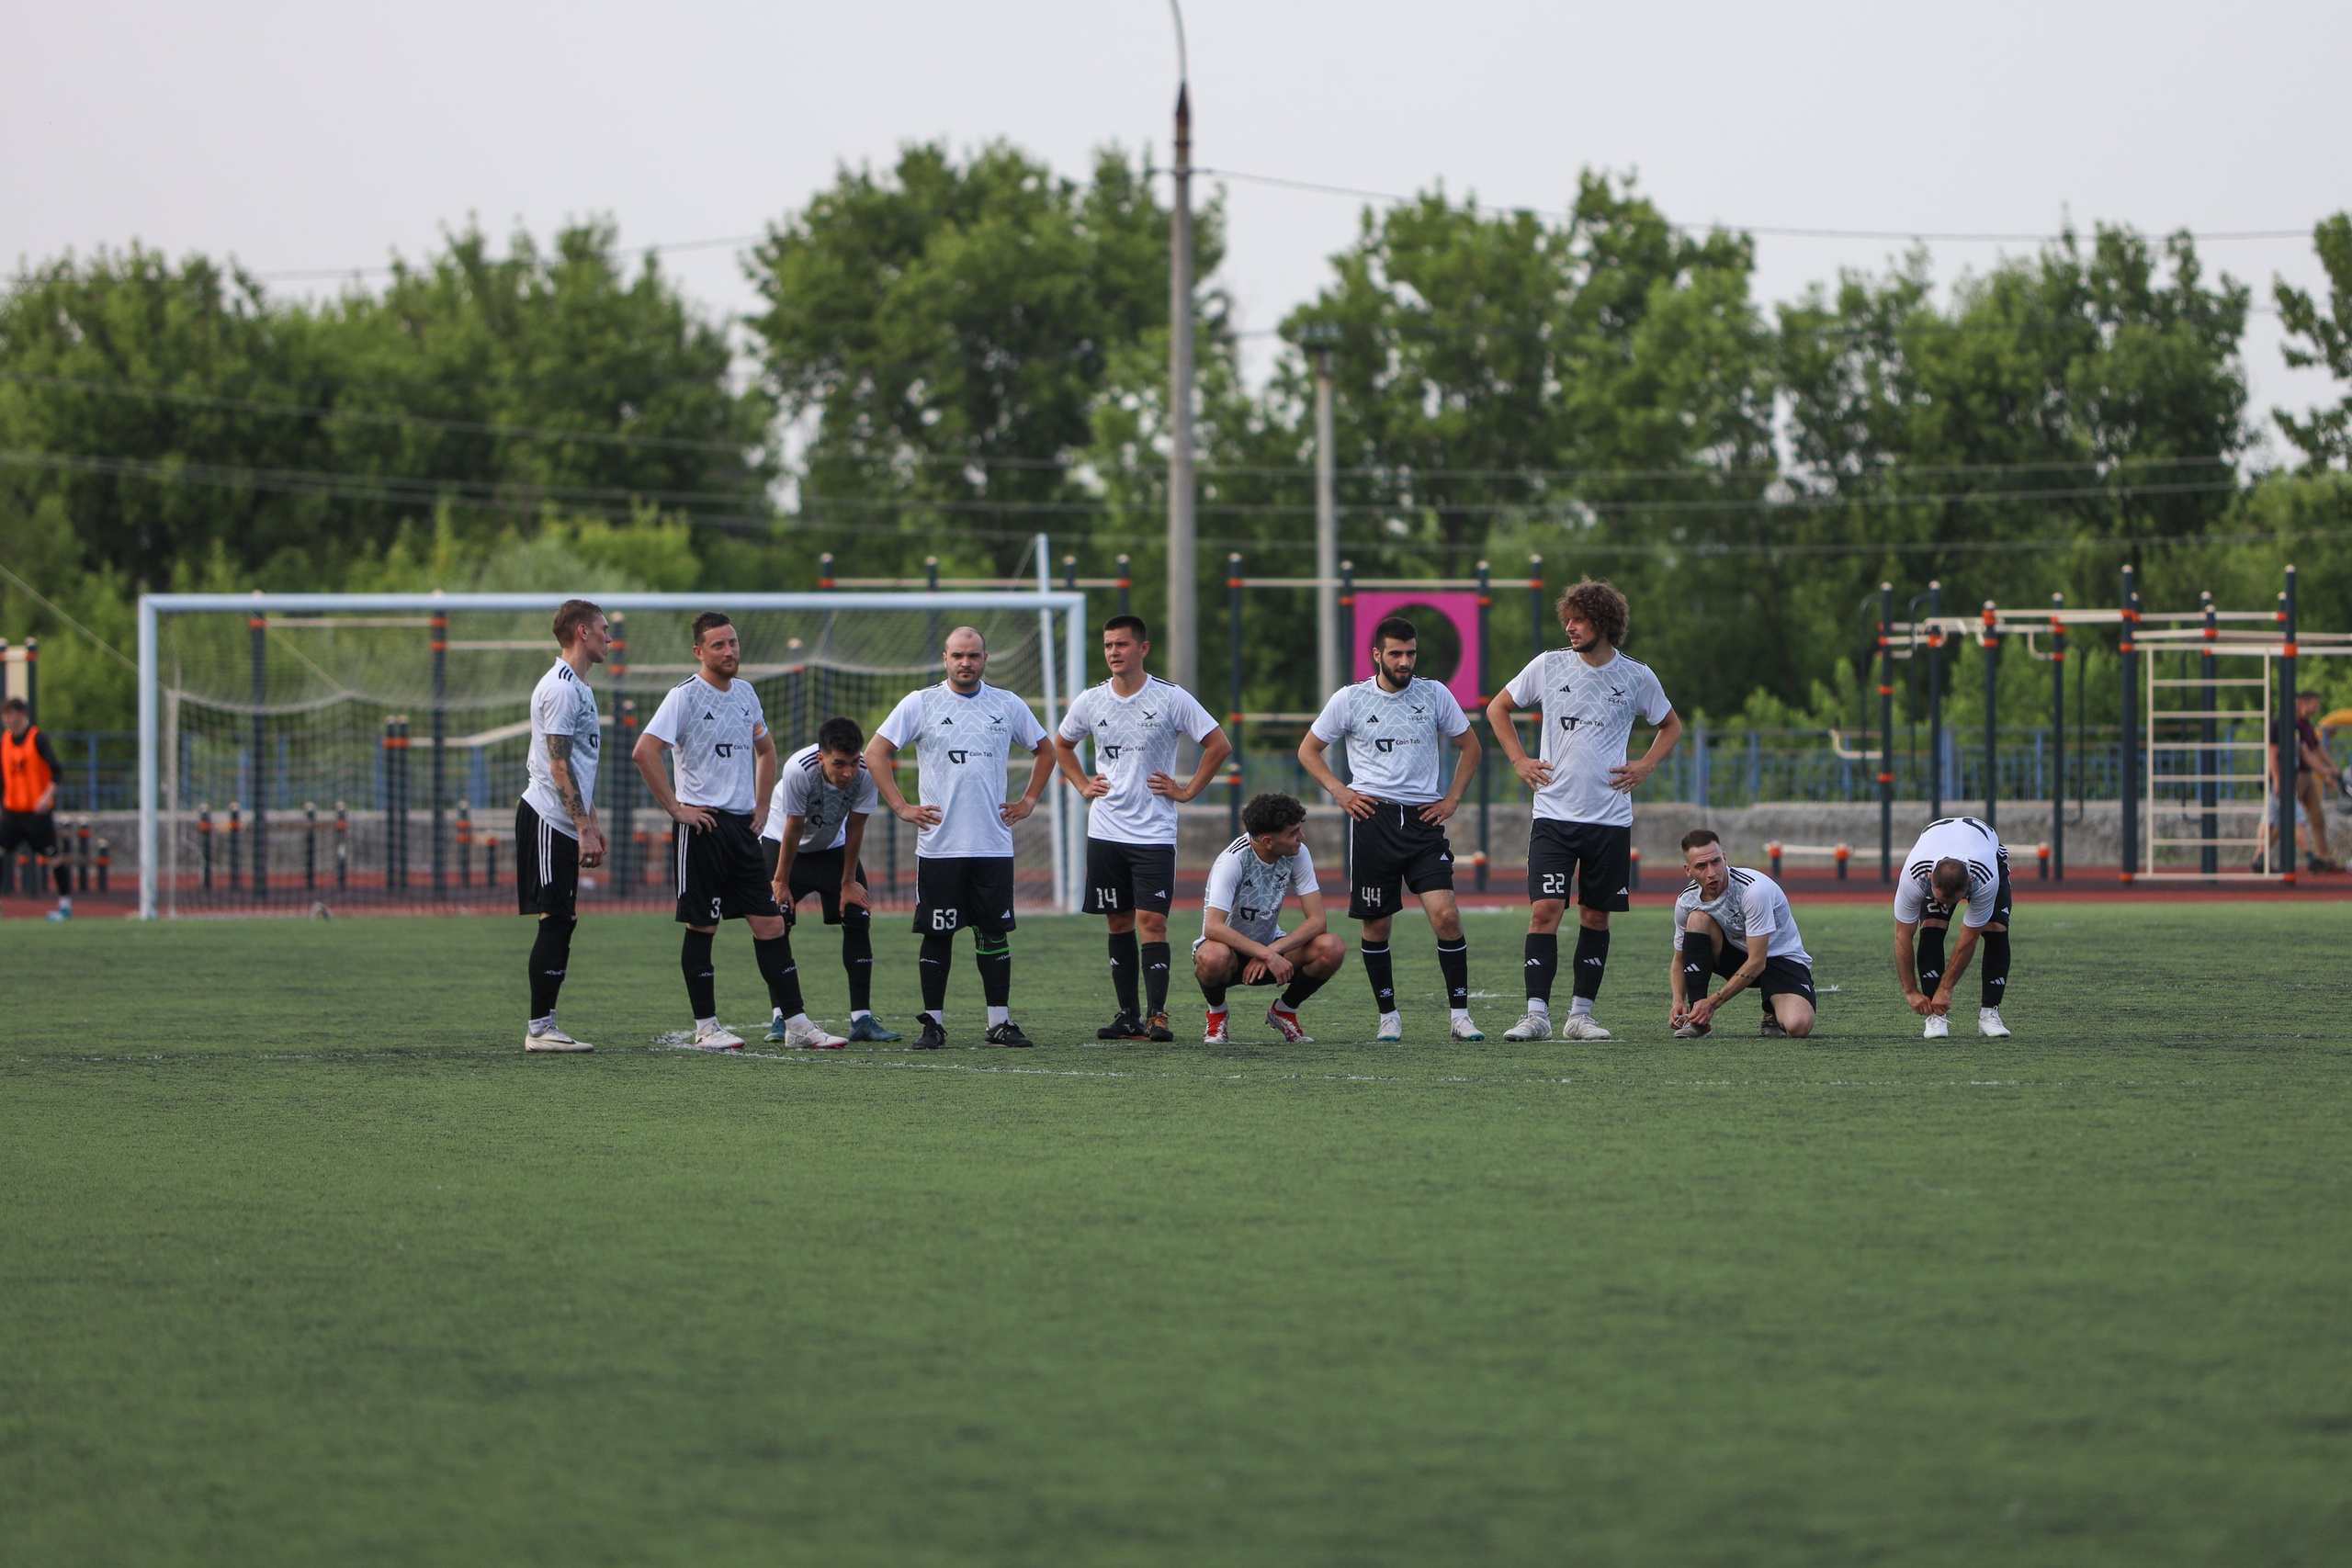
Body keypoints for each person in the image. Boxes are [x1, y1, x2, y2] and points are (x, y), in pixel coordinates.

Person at [633, 613, 845, 1052]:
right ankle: (707, 1027)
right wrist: (676, 808)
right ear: (699, 652)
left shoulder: (747, 693)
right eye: (718, 645)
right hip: (703, 827)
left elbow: (765, 750)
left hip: (743, 830)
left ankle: (797, 1024)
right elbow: (644, 751)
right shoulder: (684, 697)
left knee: (771, 924)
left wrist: (763, 804)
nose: (729, 651)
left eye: (732, 643)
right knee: (702, 926)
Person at [1485, 579, 1681, 1043]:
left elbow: (1671, 725)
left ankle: (1580, 1016)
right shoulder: (1549, 666)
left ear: (1604, 622)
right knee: (1545, 911)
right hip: (1553, 816)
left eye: (1578, 619)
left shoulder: (1636, 676)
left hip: (1609, 820)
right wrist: (1518, 759)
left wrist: (1646, 765)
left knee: (1596, 916)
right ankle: (1536, 1016)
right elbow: (1498, 708)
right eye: (1566, 619)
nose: (1569, 627)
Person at [1297, 615, 1486, 1042]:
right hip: (1372, 821)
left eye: (1411, 653)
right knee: (1376, 926)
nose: (1405, 662)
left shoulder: (1435, 694)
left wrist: (1452, 798)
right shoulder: (1349, 699)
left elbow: (1470, 745)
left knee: (1447, 916)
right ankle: (1388, 1015)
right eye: (1396, 654)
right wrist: (1340, 792)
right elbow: (1308, 750)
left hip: (1423, 821)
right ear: (1377, 655)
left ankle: (1460, 1016)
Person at [867, 626, 1056, 1050]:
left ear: (985, 659)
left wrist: (1027, 801)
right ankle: (932, 1023)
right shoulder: (921, 703)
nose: (965, 663)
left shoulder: (1007, 704)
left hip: (992, 843)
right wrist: (901, 806)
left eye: (973, 656)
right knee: (938, 933)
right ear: (946, 659)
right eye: (957, 656)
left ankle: (999, 1024)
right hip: (941, 846)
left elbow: (1046, 749)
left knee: (994, 933)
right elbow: (875, 752)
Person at [1053, 614, 1230, 1043]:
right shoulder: (1092, 700)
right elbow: (1060, 743)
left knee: (1152, 921)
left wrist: (1186, 791)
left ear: (1143, 649)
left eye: (1122, 645)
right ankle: (1127, 1015)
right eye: (1108, 645)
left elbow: (1218, 744)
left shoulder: (1170, 698)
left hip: (1153, 832)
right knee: (1118, 921)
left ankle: (1157, 1015)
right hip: (1106, 831)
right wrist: (1081, 783)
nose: (1114, 652)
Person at [761, 715, 902, 1043]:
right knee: (775, 922)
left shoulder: (867, 773)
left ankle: (862, 1019)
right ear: (822, 756)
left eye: (853, 763)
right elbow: (793, 828)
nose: (848, 773)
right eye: (839, 764)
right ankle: (782, 1016)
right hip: (782, 845)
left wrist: (848, 882)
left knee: (857, 914)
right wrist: (780, 881)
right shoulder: (799, 769)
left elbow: (856, 827)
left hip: (831, 848)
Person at [514, 599, 610, 1051]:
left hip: (565, 820)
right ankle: (540, 1029)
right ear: (581, 632)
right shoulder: (561, 689)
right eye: (603, 628)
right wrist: (582, 827)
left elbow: (577, 764)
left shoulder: (582, 689)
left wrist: (591, 819)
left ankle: (545, 1025)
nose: (610, 637)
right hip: (547, 817)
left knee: (563, 919)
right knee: (556, 919)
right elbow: (557, 767)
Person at [1194, 792, 1346, 1043]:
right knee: (1212, 956)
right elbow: (1213, 928)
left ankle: (1284, 1010)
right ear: (1267, 841)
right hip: (1228, 955)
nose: (1302, 837)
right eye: (1293, 832)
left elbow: (1318, 920)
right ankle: (1217, 1015)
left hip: (1272, 951)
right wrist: (1264, 953)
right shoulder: (1232, 861)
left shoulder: (1299, 853)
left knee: (1331, 947)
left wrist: (1272, 950)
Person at [1668, 829, 1817, 1040]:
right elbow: (1679, 958)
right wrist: (1677, 1001)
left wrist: (1713, 1003)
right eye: (1701, 866)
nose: (1712, 872)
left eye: (1716, 862)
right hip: (1736, 955)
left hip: (1779, 959)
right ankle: (1697, 1020)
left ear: (1725, 858)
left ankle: (1773, 1008)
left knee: (1798, 1026)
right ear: (1688, 870)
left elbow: (1758, 962)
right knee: (1697, 919)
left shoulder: (1753, 890)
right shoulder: (1686, 900)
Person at [1893, 815, 2012, 1040]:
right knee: (1932, 923)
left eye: (1953, 900)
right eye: (1941, 899)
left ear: (1968, 884)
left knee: (1995, 927)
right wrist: (1910, 991)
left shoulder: (1983, 878)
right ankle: (1935, 1017)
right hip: (1935, 841)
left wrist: (1946, 988)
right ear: (1930, 879)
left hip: (1987, 848)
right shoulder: (1915, 875)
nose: (1947, 905)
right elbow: (1902, 936)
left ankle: (1989, 1013)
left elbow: (1968, 938)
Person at [0, 695, 71, 920]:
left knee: (53, 858)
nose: (6, 719)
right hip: (12, 812)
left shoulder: (37, 739)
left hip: (37, 814)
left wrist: (45, 797)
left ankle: (65, 906)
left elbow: (56, 772)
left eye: (9, 714)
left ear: (21, 715)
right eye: (4, 715)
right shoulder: (5, 740)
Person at [2256, 691, 2340, 874]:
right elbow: (2272, 753)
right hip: (2283, 778)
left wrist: (2326, 771)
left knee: (2282, 818)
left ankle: (2262, 857)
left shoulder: (2298, 726)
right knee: (2285, 819)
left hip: (2292, 776)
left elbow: (2307, 752)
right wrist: (2277, 779)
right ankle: (2263, 856)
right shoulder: (2279, 724)